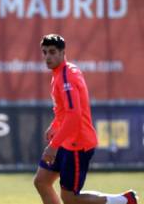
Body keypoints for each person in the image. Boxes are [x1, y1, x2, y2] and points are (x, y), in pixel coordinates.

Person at [33, 34, 138, 204]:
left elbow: (74, 116)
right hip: (65, 140)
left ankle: (123, 201)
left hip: (77, 144)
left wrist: (53, 146)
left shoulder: (67, 77)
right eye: (44, 52)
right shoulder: (60, 73)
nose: (47, 57)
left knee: (70, 198)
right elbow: (65, 111)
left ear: (62, 52)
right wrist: (55, 125)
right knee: (42, 182)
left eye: (52, 52)